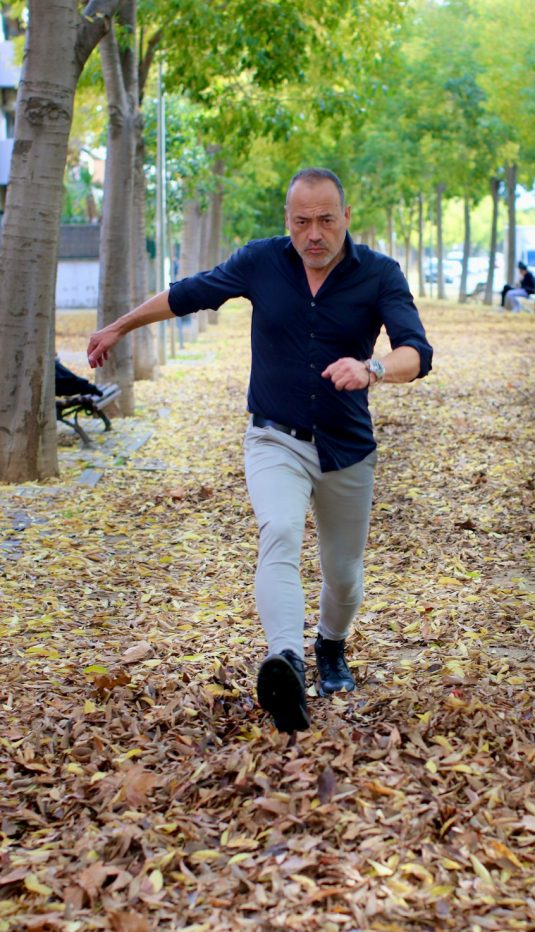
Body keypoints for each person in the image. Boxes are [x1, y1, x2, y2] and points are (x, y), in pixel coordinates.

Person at [87, 167, 433, 735]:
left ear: (347, 217)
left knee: (343, 574)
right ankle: (285, 662)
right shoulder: (261, 261)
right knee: (279, 530)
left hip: (347, 448)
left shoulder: (379, 274)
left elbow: (416, 352)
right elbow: (188, 293)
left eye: (326, 220)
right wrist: (119, 327)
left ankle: (330, 646)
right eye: (302, 221)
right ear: (287, 221)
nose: (314, 233)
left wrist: (372, 368)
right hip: (274, 437)